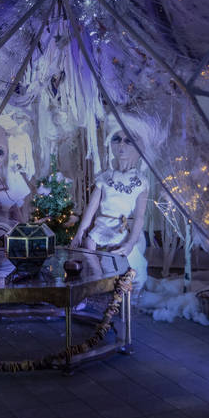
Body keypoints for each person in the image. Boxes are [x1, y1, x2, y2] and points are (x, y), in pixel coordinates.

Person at [75, 117, 152, 289]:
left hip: (123, 227)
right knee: (89, 246)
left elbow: (139, 217)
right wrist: (80, 231)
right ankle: (98, 282)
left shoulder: (141, 182)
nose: (121, 145)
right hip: (102, 225)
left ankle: (126, 287)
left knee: (124, 255)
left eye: (128, 141)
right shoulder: (104, 178)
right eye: (117, 139)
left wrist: (131, 242)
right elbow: (91, 208)